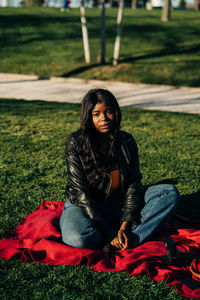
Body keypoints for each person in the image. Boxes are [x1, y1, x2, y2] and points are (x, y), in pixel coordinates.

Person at [60, 88, 180, 251]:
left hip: (117, 203)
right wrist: (110, 232)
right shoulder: (76, 144)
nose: (104, 118)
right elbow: (81, 193)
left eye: (108, 112)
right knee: (79, 239)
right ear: (88, 117)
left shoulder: (127, 141)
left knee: (168, 193)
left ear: (116, 113)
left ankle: (126, 238)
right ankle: (116, 240)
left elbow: (133, 183)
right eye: (96, 114)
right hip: (83, 205)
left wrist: (123, 227)